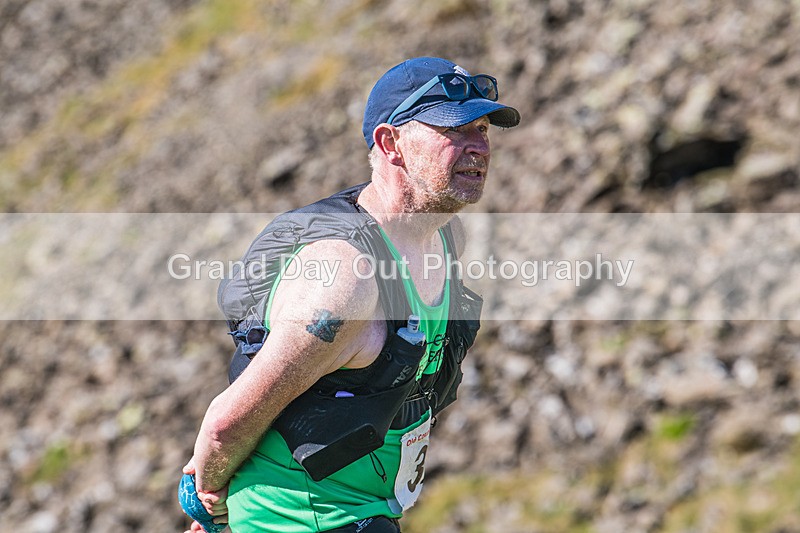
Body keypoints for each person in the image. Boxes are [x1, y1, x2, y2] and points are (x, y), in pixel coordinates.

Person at [181, 56, 520, 533]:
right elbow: (225, 424)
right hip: (297, 522)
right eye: (453, 130)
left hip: (366, 513)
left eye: (482, 129)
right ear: (390, 143)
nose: (477, 147)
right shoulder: (344, 282)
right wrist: (212, 505)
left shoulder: (443, 238)